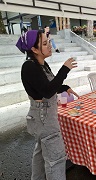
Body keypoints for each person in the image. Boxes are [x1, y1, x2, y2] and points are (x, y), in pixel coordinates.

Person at [16, 30, 79, 180]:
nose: (49, 45)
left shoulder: (41, 65)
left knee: (40, 153)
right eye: (44, 43)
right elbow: (47, 91)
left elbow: (49, 85)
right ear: (34, 49)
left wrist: (64, 87)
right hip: (44, 119)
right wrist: (65, 70)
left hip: (41, 118)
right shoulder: (29, 67)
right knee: (56, 159)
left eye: (48, 41)